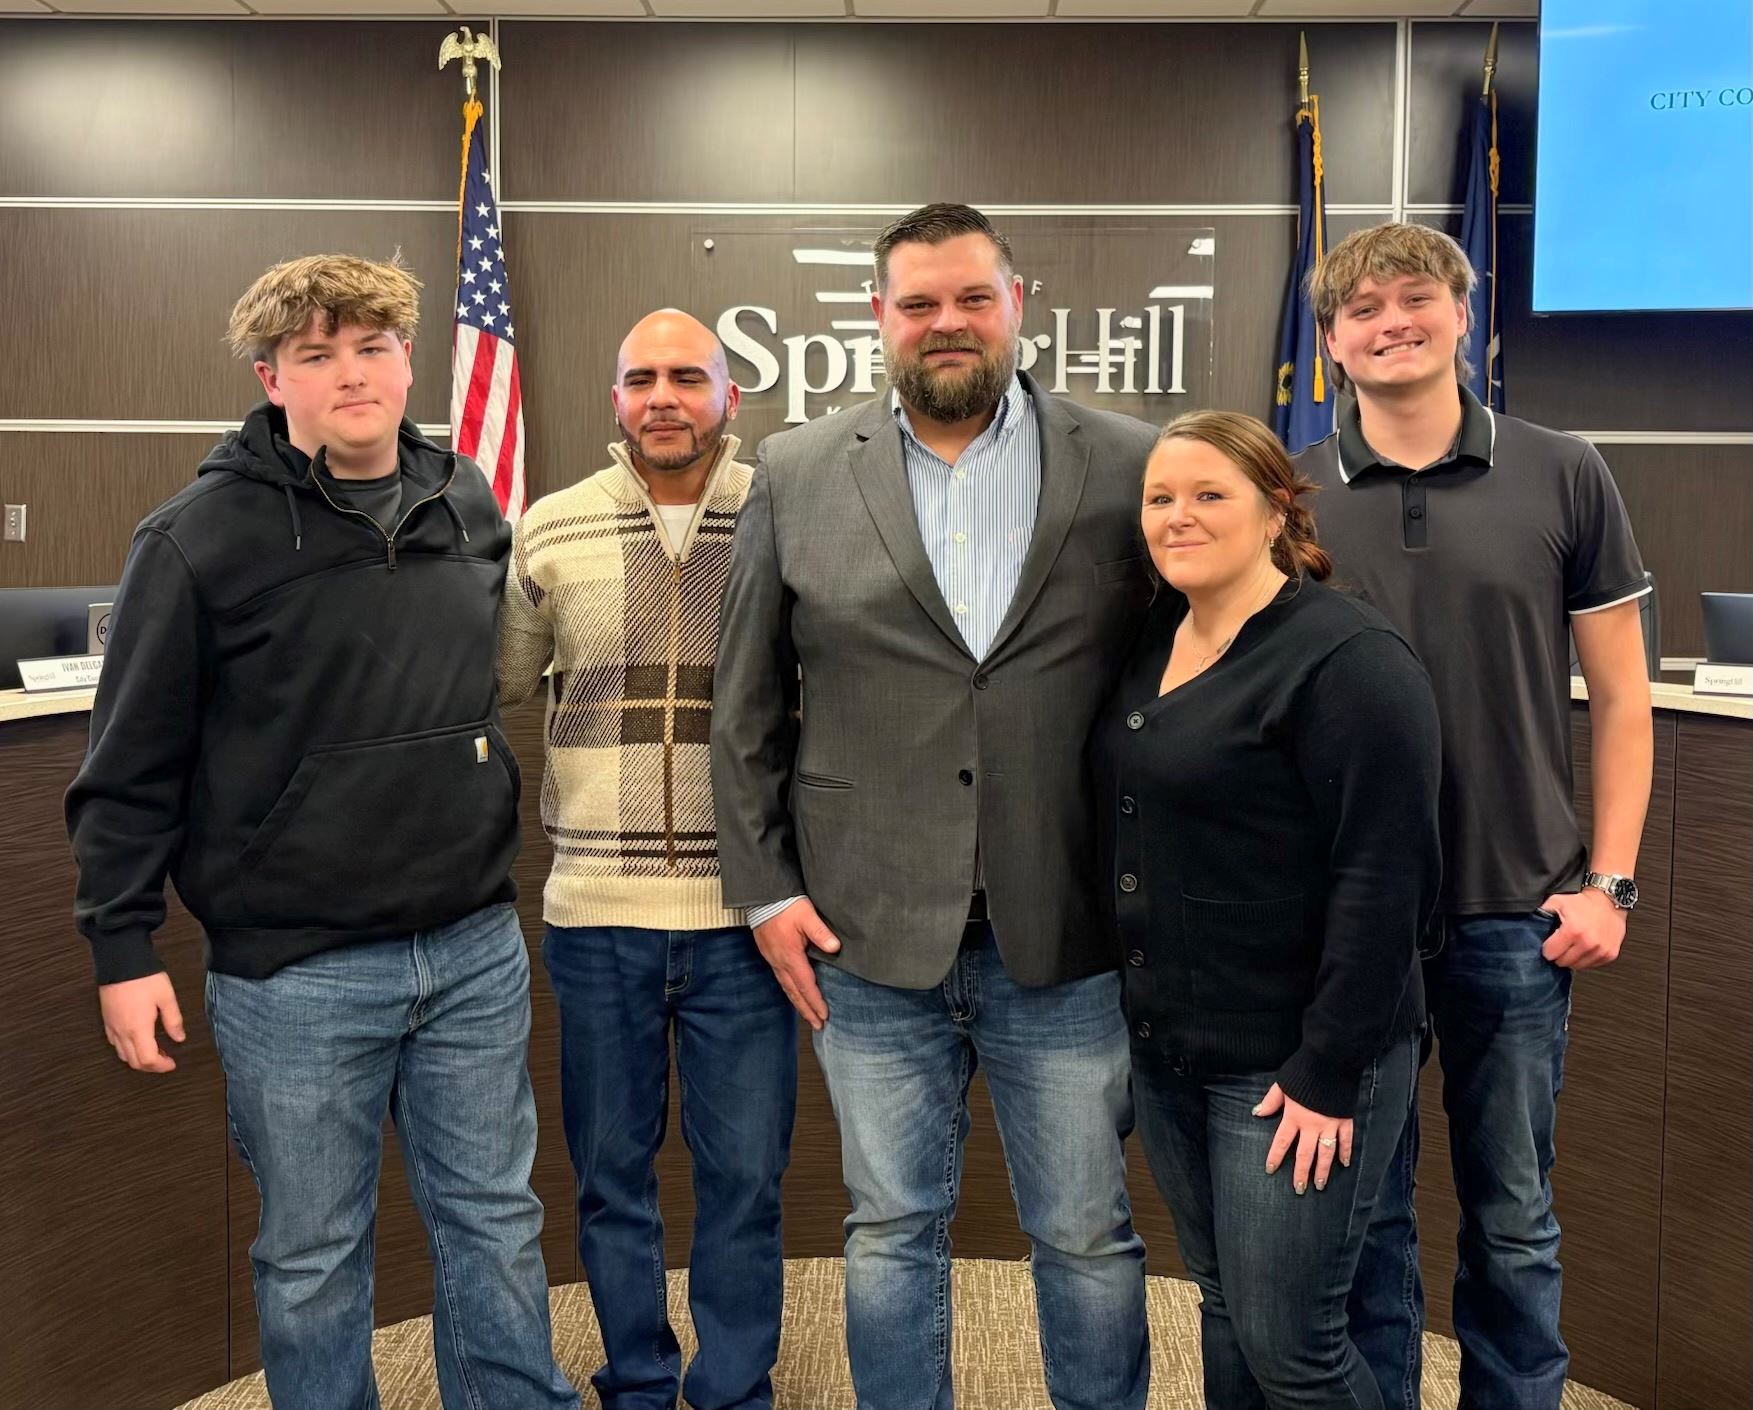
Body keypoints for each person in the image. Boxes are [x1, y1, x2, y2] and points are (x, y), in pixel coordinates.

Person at [65, 253, 578, 1410]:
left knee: (496, 1227)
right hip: (292, 976)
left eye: (370, 348)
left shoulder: (471, 502)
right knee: (311, 1260)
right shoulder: (196, 539)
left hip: (470, 953)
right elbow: (130, 763)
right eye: (316, 355)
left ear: (406, 361)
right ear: (271, 378)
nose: (349, 374)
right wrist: (122, 946)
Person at [711, 202, 1154, 1410]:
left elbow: (1181, 689)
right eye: (919, 303)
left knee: (1083, 1233)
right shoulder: (797, 472)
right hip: (862, 936)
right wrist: (764, 892)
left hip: (1064, 931)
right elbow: (744, 707)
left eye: (970, 298)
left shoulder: (1127, 460)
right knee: (890, 1229)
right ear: (878, 318)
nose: (945, 324)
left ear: (1018, 302)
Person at [1298, 222, 1654, 1410]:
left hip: (1516, 913)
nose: (1391, 321)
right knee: (1366, 1217)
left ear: (1462, 314)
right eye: (1362, 311)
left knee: (1511, 1217)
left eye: (1415, 297)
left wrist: (1607, 882)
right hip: (1348, 920)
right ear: (1331, 344)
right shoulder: (1288, 494)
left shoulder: (1563, 470)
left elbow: (1619, 698)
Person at [1094, 409, 1441, 1409]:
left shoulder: (1349, 659)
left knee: (1296, 1348)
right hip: (1172, 1053)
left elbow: (1385, 883)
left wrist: (1328, 1072)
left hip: (1294, 1072)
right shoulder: (1158, 637)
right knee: (1224, 1308)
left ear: (1277, 512)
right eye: (1161, 497)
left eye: (1210, 495)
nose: (1178, 516)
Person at [497, 309, 795, 1410]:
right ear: (613, 400)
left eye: (687, 375)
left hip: (749, 917)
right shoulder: (553, 527)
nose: (662, 395)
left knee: (745, 1183)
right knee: (611, 1182)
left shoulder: (788, 510)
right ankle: (633, 1381)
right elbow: (497, 688)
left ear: (729, 393)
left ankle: (731, 1389)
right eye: (640, 378)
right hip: (596, 915)